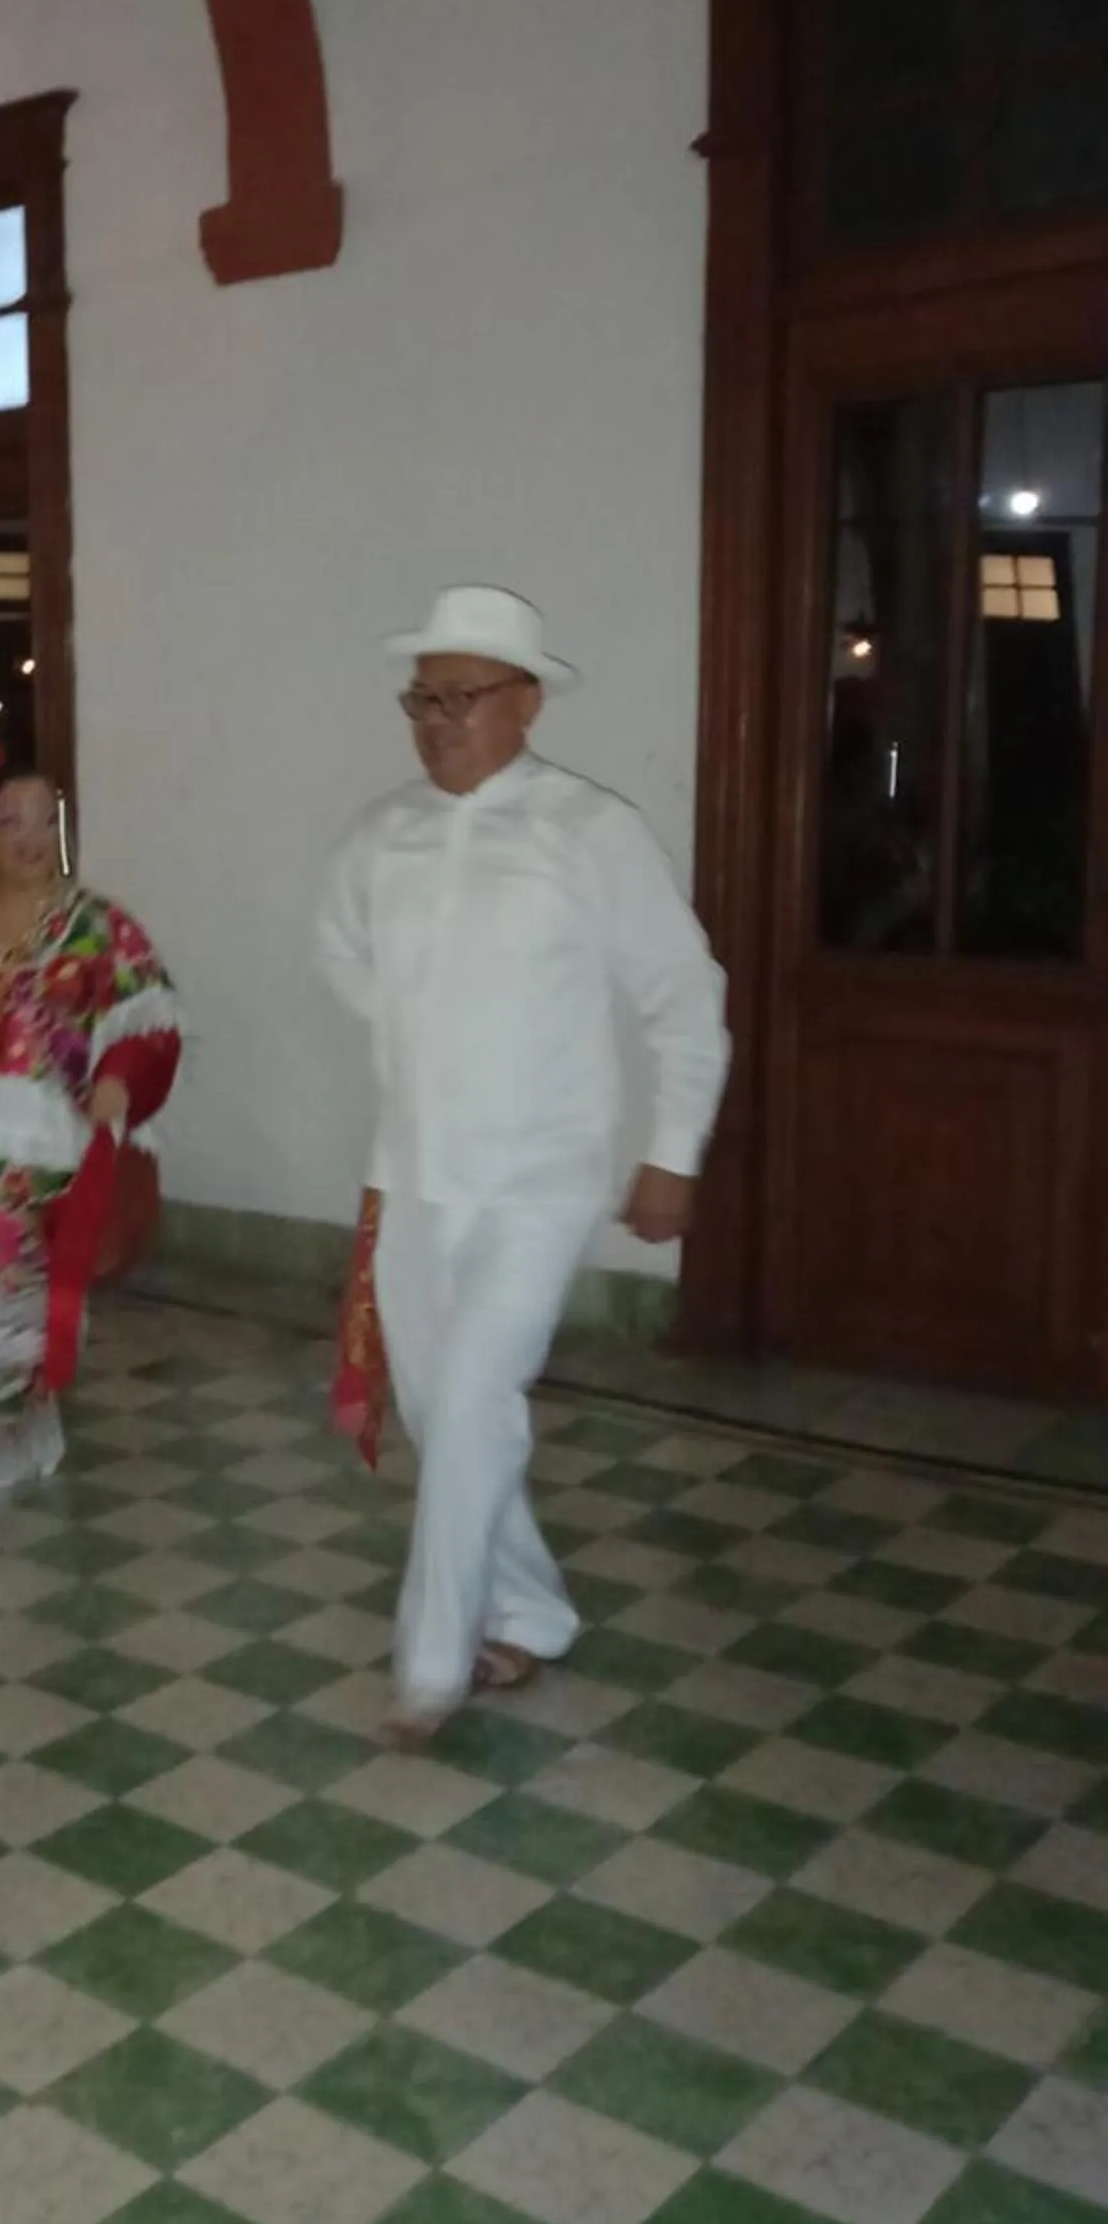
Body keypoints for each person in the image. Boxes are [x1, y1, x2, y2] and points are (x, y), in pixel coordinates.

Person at [317, 586, 730, 1745]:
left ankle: (433, 1667)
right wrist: (426, 1043)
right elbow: (340, 955)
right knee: (446, 1413)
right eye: (422, 698)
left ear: (527, 702)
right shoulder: (383, 832)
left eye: (464, 697)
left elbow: (685, 1000)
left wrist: (671, 1154)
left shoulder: (589, 831)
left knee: (477, 1403)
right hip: (414, 1171)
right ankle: (533, 1611)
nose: (439, 719)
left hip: (541, 1178)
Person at [0, 768, 181, 1525]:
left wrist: (118, 1079)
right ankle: (9, 1432)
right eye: (10, 820)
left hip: (39, 1149)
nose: (28, 837)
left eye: (44, 821)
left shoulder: (98, 926)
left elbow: (149, 1024)